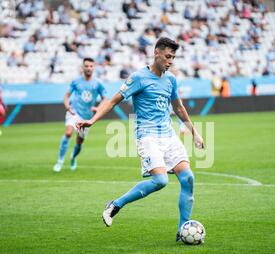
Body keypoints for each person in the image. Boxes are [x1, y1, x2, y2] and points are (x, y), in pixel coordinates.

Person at [76, 37, 205, 241]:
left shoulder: (171, 79)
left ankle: (182, 230)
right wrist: (92, 120)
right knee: (160, 180)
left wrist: (195, 132)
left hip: (169, 135)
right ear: (156, 53)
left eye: (173, 57)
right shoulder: (139, 77)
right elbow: (113, 101)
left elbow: (178, 107)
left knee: (188, 178)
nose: (170, 61)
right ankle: (116, 204)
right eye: (167, 56)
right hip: (147, 136)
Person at [53, 58, 107, 172]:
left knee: (79, 141)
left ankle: (73, 157)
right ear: (82, 68)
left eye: (91, 66)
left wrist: (98, 108)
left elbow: (105, 99)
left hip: (86, 117)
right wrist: (68, 107)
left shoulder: (98, 83)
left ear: (94, 68)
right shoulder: (76, 82)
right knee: (68, 133)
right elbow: (66, 96)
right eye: (86, 66)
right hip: (74, 112)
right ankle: (60, 161)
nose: (88, 68)